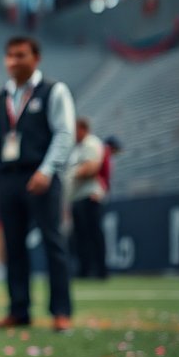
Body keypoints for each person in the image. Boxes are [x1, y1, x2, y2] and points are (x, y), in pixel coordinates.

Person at [0, 35, 75, 331]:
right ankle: (19, 309)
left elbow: (64, 133)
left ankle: (61, 311)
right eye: (9, 56)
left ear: (36, 58)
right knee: (13, 246)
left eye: (20, 55)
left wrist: (47, 170)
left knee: (53, 243)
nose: (13, 62)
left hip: (40, 176)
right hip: (8, 178)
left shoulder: (54, 91)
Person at [68, 118, 107, 279]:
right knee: (80, 236)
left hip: (89, 196)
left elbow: (91, 167)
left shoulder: (91, 143)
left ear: (82, 129)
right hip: (77, 197)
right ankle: (84, 270)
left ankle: (100, 270)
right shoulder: (78, 147)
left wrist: (73, 174)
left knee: (93, 235)